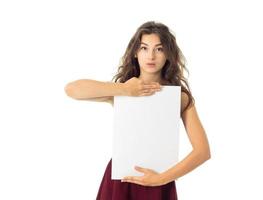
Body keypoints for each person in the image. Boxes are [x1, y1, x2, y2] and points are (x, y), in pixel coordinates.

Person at [64, 21, 211, 200]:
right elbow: (72, 90)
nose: (151, 56)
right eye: (144, 48)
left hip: (160, 179)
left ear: (168, 55)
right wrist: (124, 89)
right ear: (135, 52)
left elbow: (202, 151)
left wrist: (160, 179)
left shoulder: (178, 97)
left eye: (159, 49)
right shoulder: (121, 91)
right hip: (121, 178)